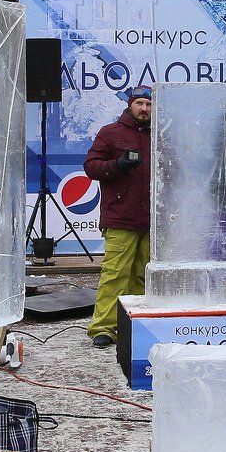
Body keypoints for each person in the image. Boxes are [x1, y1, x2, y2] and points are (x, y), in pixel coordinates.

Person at [83, 84, 153, 348]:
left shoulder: (160, 134)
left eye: (148, 104)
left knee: (142, 275)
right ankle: (104, 327)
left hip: (151, 220)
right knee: (115, 273)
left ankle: (135, 323)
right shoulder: (110, 133)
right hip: (120, 217)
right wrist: (118, 165)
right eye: (140, 104)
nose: (144, 109)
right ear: (129, 105)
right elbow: (91, 167)